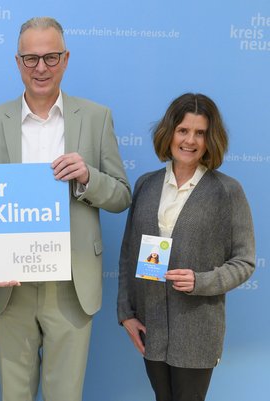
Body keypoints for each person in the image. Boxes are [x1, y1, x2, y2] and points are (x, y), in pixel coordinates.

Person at [0, 16, 131, 401]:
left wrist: (88, 178)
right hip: (11, 284)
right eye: (31, 58)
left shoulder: (96, 117)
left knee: (66, 395)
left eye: (51, 57)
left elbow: (122, 195)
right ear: (18, 61)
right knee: (15, 394)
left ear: (66, 58)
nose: (41, 67)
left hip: (72, 283)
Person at [117, 93, 255, 401]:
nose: (190, 140)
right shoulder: (146, 185)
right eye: (183, 130)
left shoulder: (227, 191)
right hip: (151, 327)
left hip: (197, 332)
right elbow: (128, 254)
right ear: (170, 133)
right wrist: (126, 313)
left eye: (200, 132)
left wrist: (200, 280)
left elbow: (244, 262)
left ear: (210, 139)